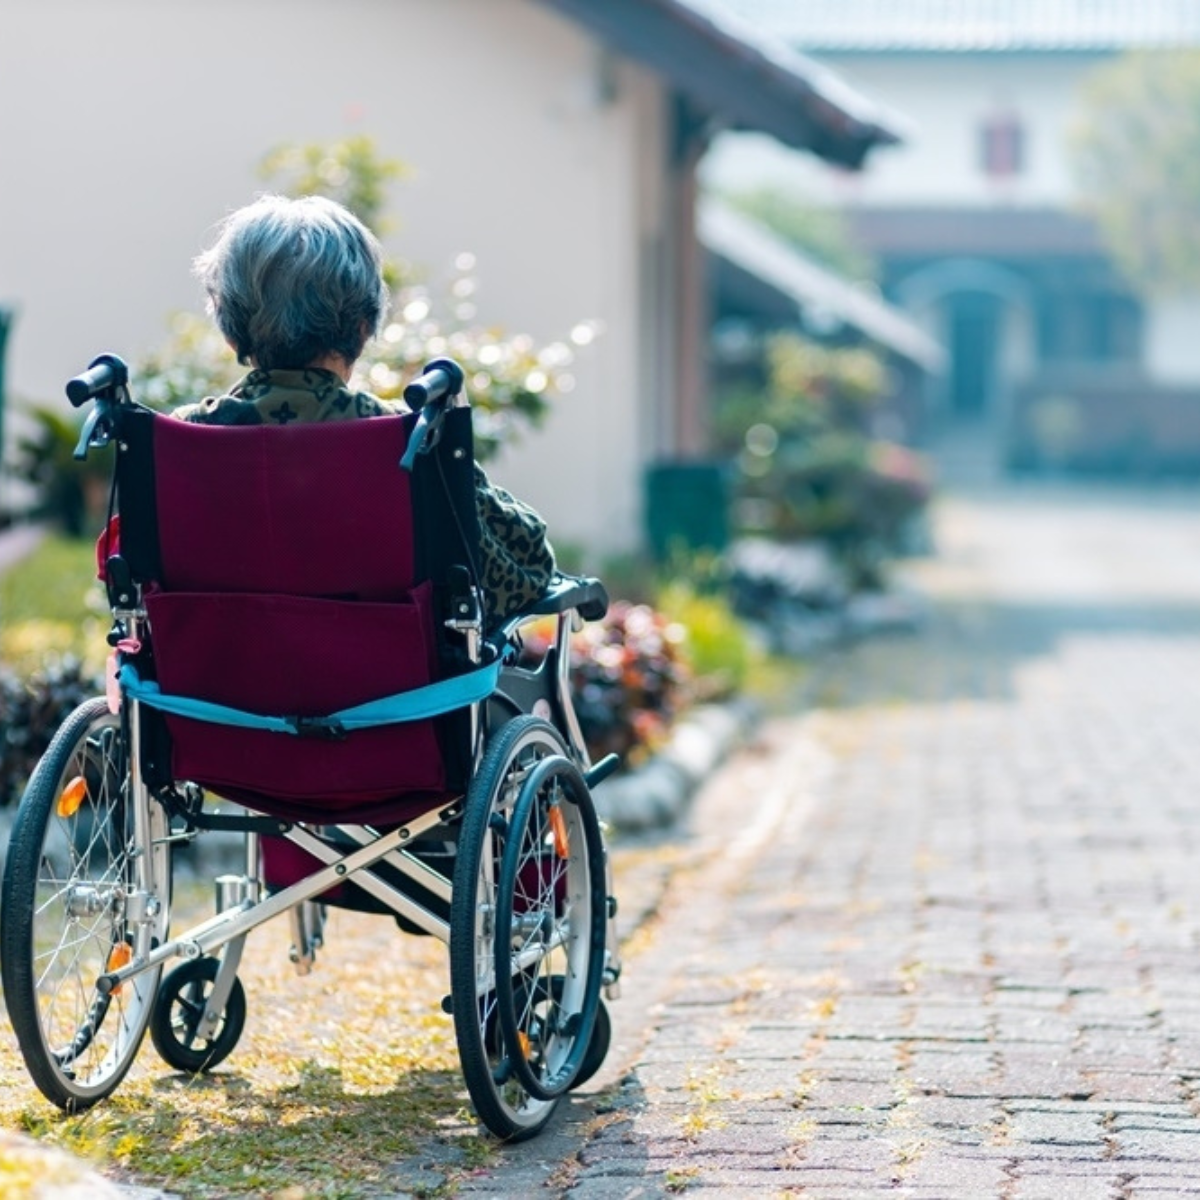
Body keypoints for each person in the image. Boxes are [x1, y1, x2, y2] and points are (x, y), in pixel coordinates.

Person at [173, 194, 556, 629]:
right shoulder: (409, 438)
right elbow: (528, 569)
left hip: (215, 688)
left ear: (231, 333)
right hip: (391, 689)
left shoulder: (179, 443)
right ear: (363, 327)